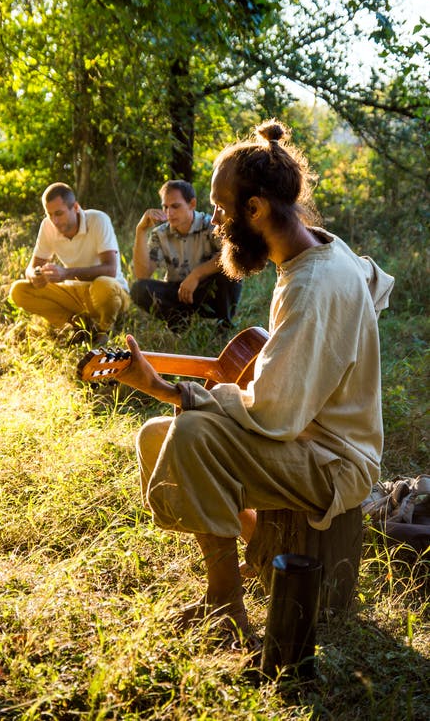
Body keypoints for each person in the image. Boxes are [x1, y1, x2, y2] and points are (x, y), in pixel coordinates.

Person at [110, 119, 394, 642]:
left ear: (256, 209)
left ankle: (225, 604)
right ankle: (262, 548)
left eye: (220, 206)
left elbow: (272, 413)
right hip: (305, 439)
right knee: (155, 435)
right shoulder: (325, 249)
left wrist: (164, 387)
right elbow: (378, 282)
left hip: (335, 461)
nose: (214, 220)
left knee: (191, 433)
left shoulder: (313, 284)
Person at [10, 183, 130, 345]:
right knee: (19, 290)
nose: (54, 220)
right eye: (49, 214)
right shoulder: (47, 226)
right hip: (75, 293)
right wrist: (37, 275)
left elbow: (110, 269)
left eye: (59, 213)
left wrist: (66, 273)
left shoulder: (98, 220)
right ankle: (79, 325)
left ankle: (104, 330)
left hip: (109, 291)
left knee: (105, 286)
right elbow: (31, 268)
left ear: (75, 207)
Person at [131, 179, 242, 330]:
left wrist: (196, 275)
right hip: (178, 292)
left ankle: (223, 324)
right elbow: (142, 274)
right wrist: (141, 231)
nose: (169, 213)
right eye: (165, 207)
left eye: (175, 206)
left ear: (192, 204)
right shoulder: (160, 234)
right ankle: (180, 324)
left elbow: (231, 255)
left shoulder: (209, 224)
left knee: (229, 272)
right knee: (139, 289)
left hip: (207, 290)